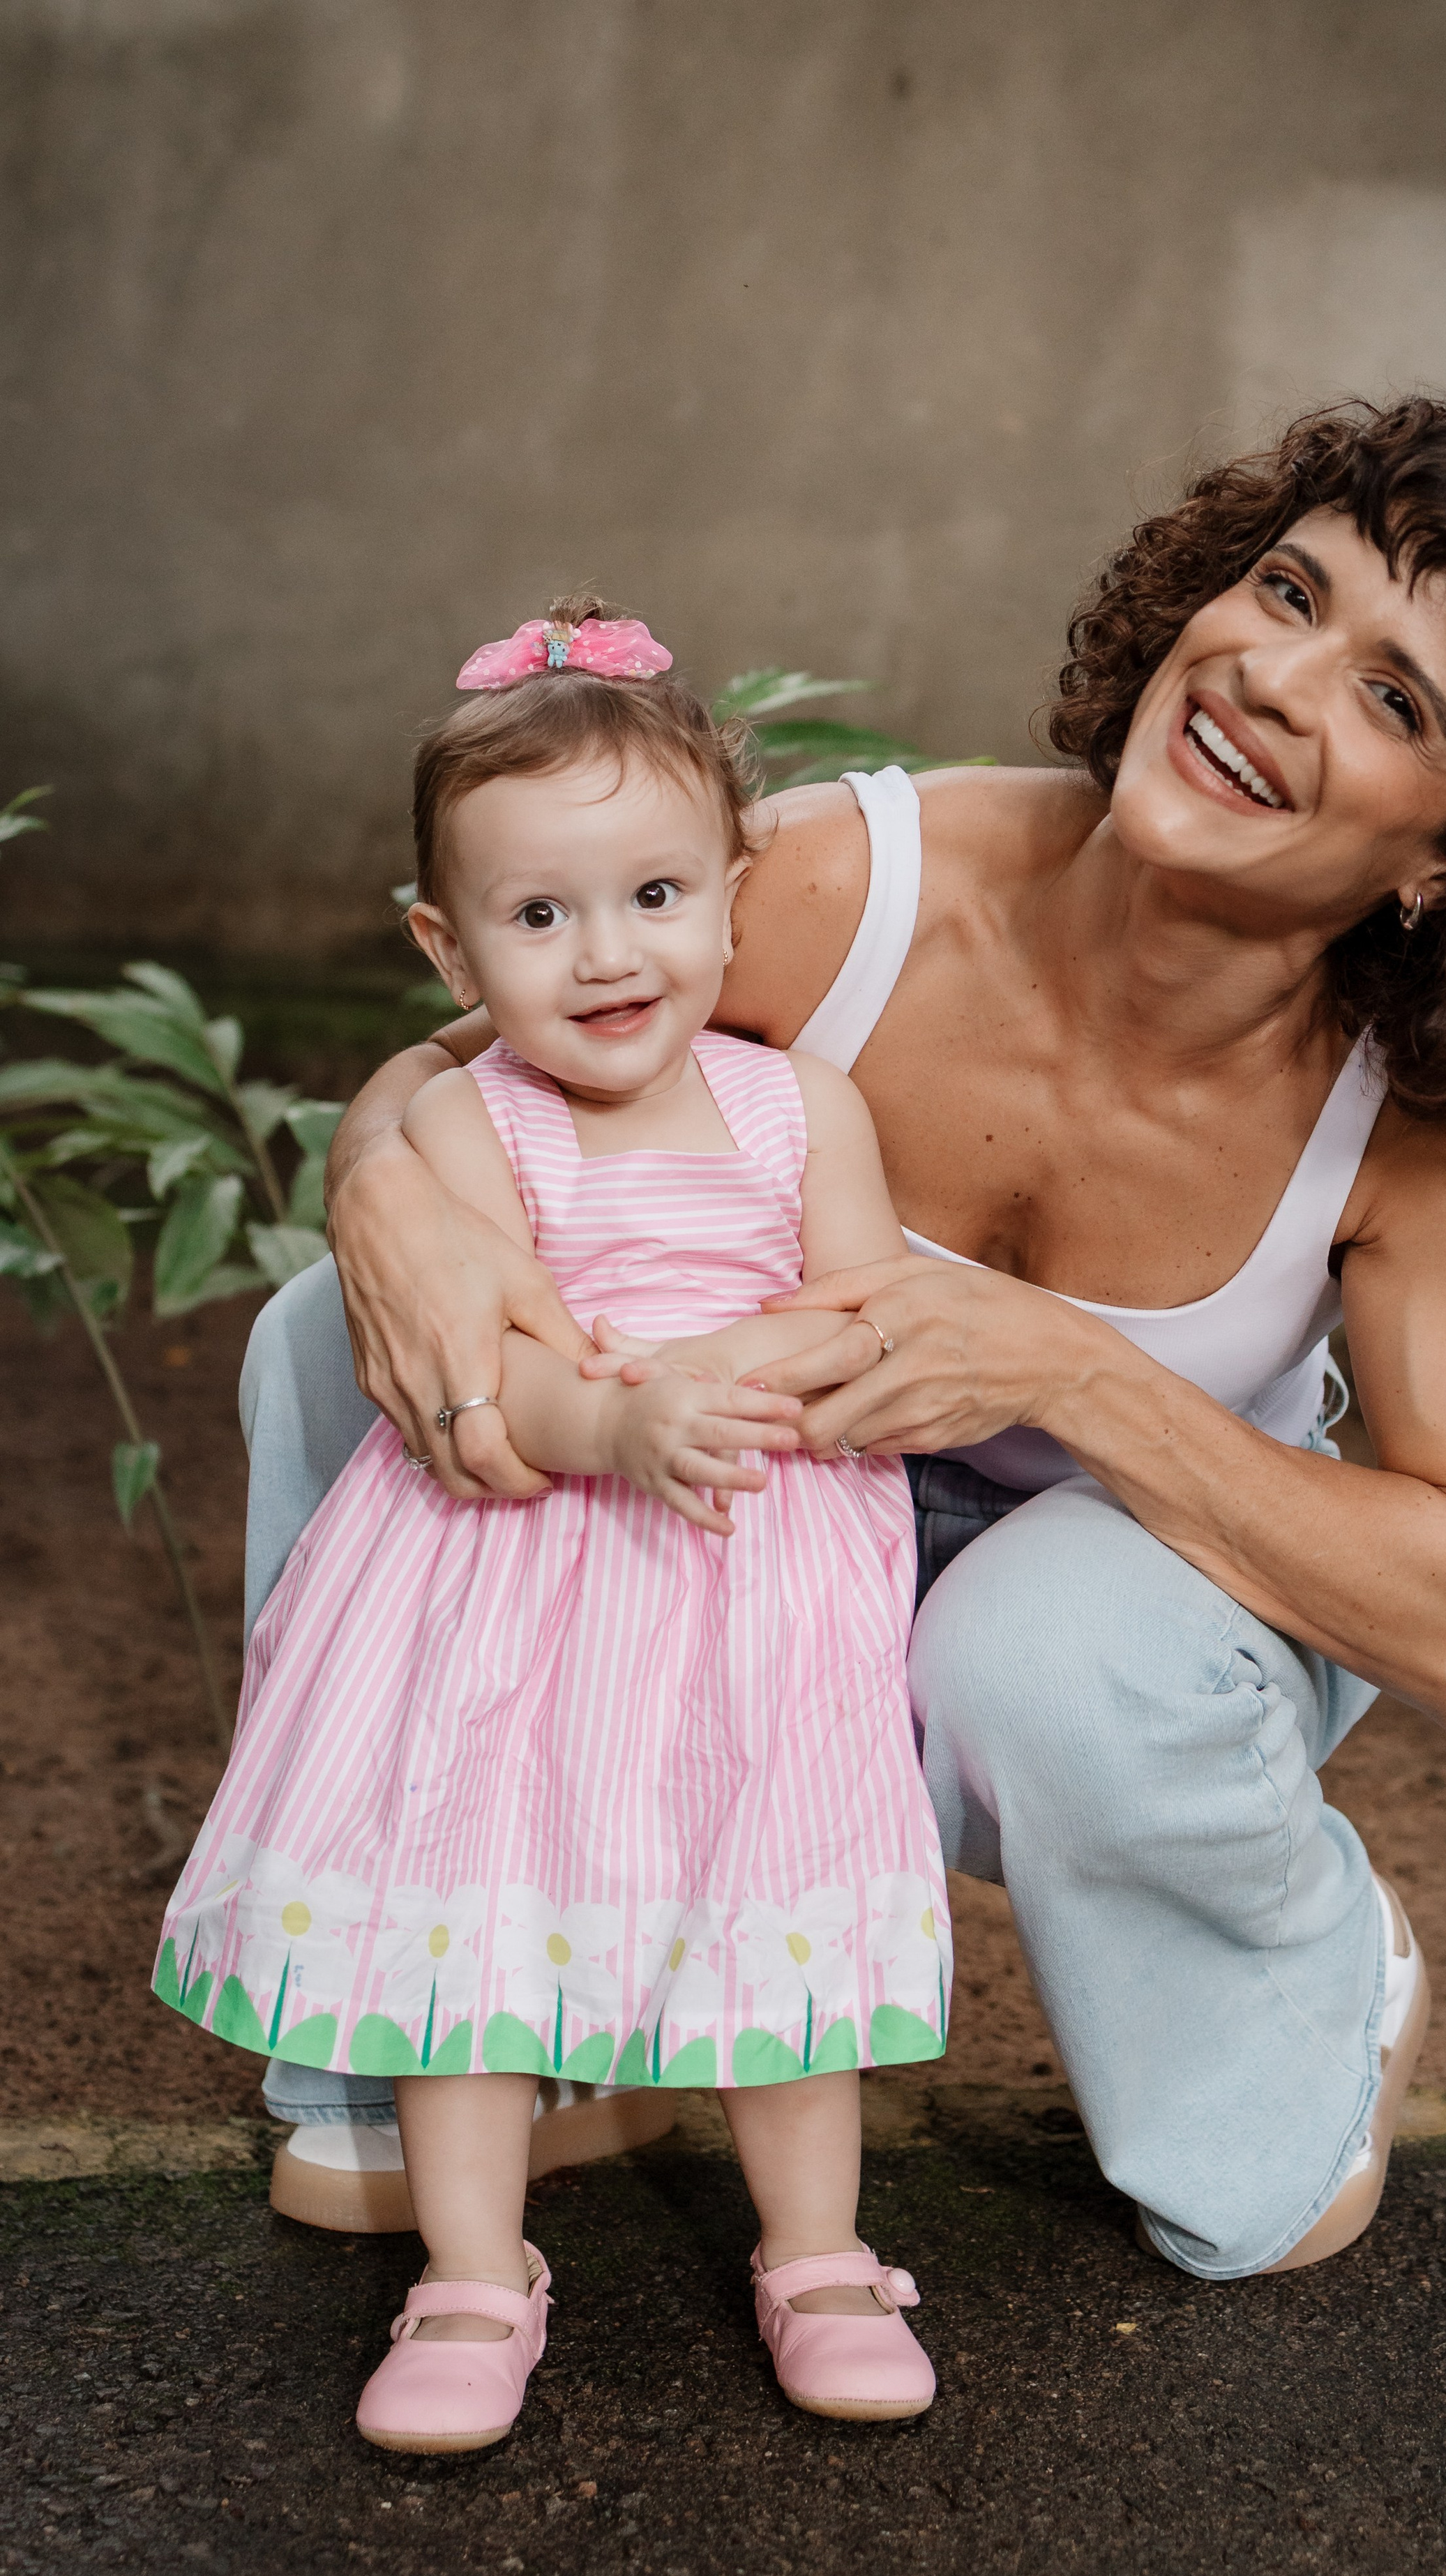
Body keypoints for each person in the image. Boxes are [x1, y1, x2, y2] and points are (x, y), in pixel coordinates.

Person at [250, 396, 1446, 2285]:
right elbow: (467, 1066)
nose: (1273, 679)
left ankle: (1307, 1996)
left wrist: (1062, 1366)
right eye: (1286, 592)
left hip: (1123, 1613)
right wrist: (378, 1188)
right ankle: (498, 2000)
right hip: (760, 1512)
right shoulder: (857, 886)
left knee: (1040, 1640)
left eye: (1393, 698)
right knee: (331, 1341)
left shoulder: (1421, 1121)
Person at [157, 607, 949, 2450]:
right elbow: (485, 1383)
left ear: (733, 898)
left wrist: (720, 1372)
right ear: (446, 946)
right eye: (538, 915)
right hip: (514, 1575)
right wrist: (620, 1418)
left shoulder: (799, 1107)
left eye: (656, 895)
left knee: (767, 1893)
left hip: (749, 1566)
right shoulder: (468, 1129)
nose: (608, 953)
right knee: (478, 1897)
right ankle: (469, 2268)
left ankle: (819, 2251)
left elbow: (864, 1306)